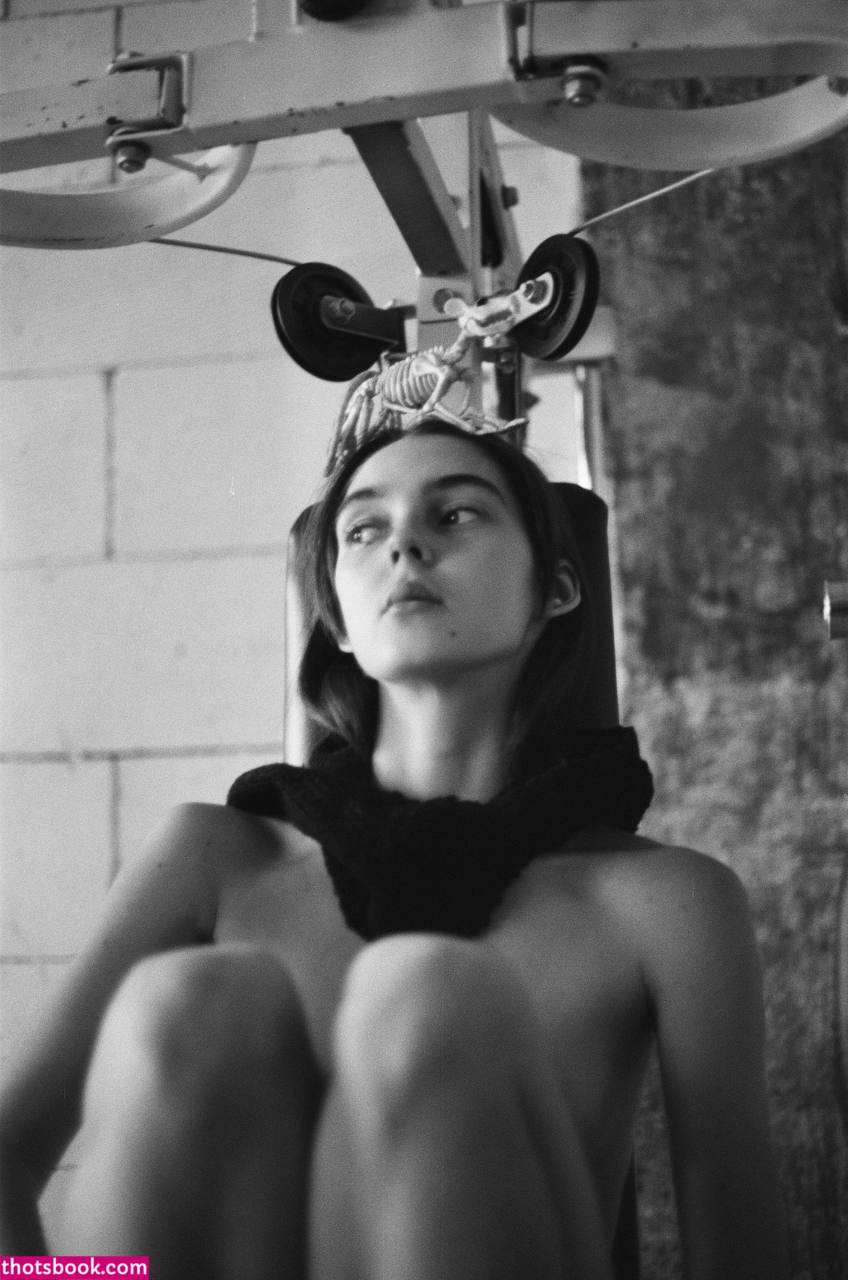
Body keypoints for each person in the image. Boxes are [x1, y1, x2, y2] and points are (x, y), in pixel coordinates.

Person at [0, 414, 786, 1280]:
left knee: (423, 991)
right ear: (337, 618)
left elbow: (741, 1256)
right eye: (365, 529)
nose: (405, 545)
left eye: (456, 515)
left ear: (556, 589)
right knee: (189, 999)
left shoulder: (668, 900)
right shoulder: (211, 856)